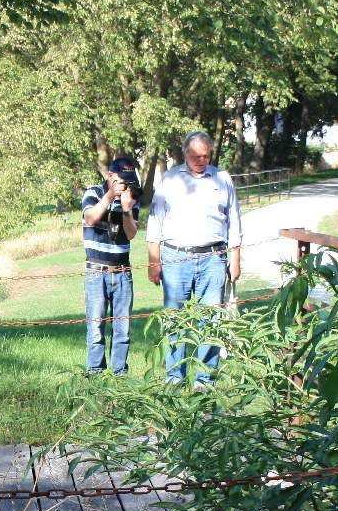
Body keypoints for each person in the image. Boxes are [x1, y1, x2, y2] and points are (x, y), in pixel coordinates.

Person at [146, 131, 242, 385]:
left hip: (214, 258)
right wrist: (154, 262)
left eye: (205, 156)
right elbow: (155, 222)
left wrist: (235, 259)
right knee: (175, 320)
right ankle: (174, 378)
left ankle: (204, 382)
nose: (201, 160)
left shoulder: (222, 179)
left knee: (210, 321)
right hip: (176, 258)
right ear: (185, 153)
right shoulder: (170, 180)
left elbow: (234, 222)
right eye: (195, 156)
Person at [81, 155, 140, 375]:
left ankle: (119, 375)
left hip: (123, 271)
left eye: (128, 179)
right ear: (111, 176)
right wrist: (109, 196)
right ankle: (95, 373)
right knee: (96, 327)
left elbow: (132, 233)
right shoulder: (94, 192)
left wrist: (126, 209)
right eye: (121, 179)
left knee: (122, 329)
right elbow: (90, 218)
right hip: (97, 269)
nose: (125, 183)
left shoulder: (132, 195)